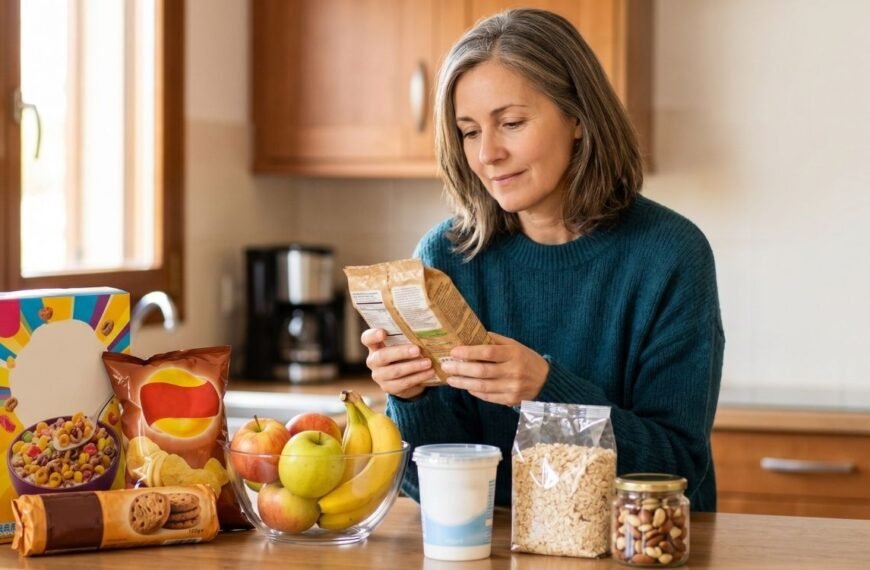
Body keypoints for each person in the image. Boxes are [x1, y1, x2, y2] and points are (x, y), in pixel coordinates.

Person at [361, 8, 724, 511]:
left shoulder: (670, 255)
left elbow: (677, 466)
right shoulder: (445, 258)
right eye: (468, 131)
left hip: (637, 549)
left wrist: (548, 393)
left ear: (578, 117)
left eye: (510, 123)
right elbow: (428, 489)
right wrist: (410, 397)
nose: (487, 153)